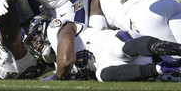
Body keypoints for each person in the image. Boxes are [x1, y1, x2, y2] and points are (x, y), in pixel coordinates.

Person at [25, 16, 181, 81]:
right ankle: (165, 69)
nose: (36, 44)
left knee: (120, 47)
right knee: (102, 75)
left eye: (35, 38)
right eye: (32, 43)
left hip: (109, 42)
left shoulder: (55, 28)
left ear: (43, 28)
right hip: (110, 64)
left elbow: (67, 60)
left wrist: (57, 78)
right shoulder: (57, 64)